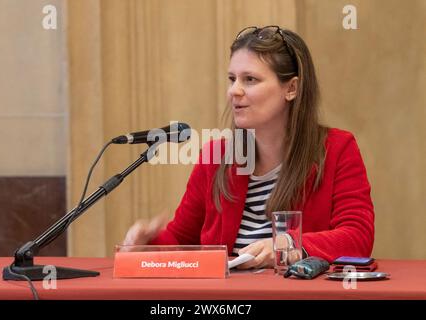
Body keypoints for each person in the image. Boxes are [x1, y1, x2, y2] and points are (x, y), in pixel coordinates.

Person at [123, 25, 374, 269]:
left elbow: (357, 237)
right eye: (232, 79)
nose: (234, 90)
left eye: (250, 79)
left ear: (292, 88)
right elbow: (181, 241)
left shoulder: (337, 149)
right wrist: (148, 245)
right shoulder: (216, 156)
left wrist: (290, 243)